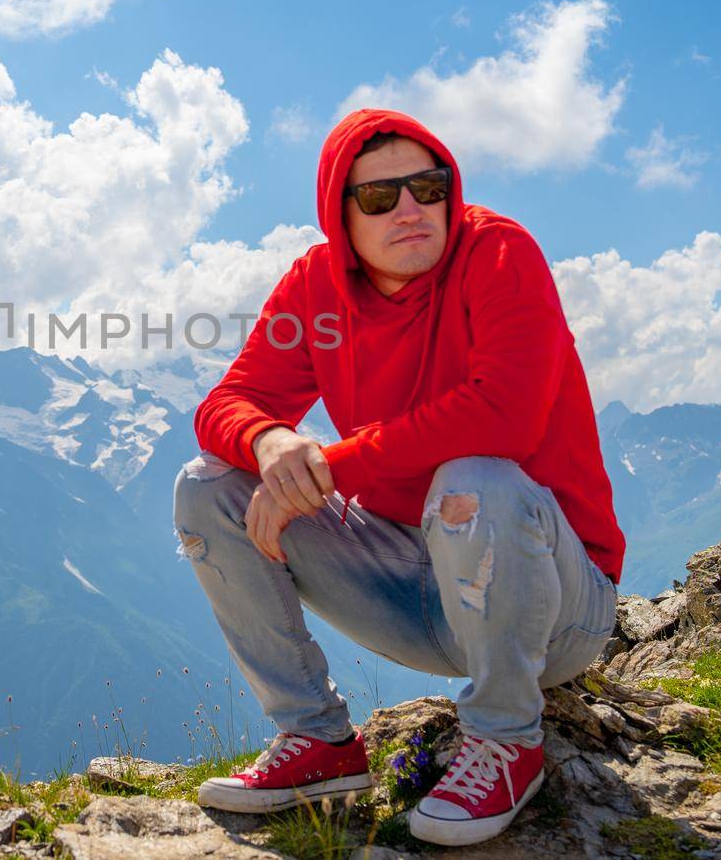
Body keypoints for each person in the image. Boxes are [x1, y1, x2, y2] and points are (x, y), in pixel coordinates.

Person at [171, 108, 624, 847]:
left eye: (428, 185)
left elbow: (504, 415)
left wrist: (331, 463)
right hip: (416, 583)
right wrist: (271, 438)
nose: (411, 208)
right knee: (208, 485)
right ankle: (317, 741)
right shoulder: (316, 287)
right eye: (380, 197)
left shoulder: (498, 251)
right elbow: (227, 402)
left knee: (477, 475)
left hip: (554, 610)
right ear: (339, 216)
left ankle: (507, 739)